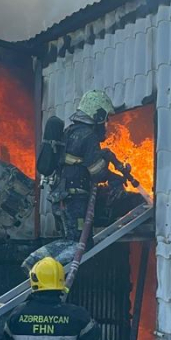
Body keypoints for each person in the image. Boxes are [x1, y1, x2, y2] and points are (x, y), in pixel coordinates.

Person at [57, 90, 127, 243]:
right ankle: (44, 265)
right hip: (76, 200)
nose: (106, 124)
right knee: (79, 246)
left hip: (62, 196)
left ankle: (45, 265)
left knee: (70, 241)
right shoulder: (89, 136)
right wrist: (114, 178)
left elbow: (81, 162)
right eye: (106, 119)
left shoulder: (69, 132)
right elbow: (97, 172)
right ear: (98, 115)